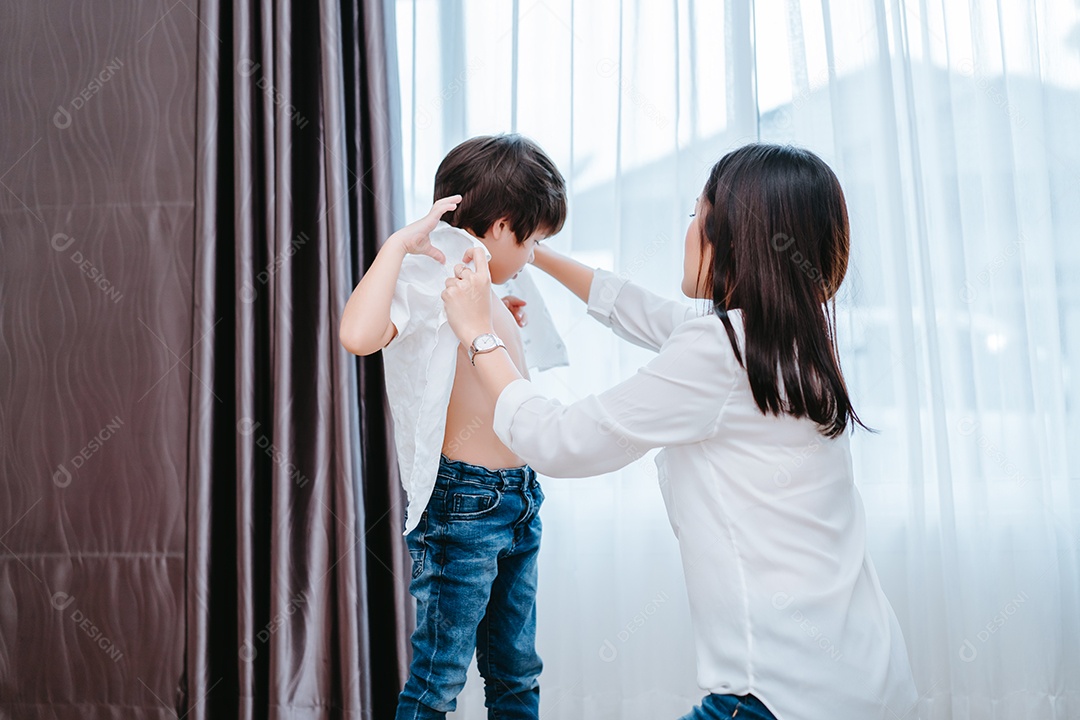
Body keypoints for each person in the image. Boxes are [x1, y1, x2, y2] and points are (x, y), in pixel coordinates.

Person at [439, 143, 920, 720]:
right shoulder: (789, 335)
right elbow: (641, 311)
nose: (688, 229)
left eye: (697, 213)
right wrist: (529, 251)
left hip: (778, 694)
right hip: (867, 676)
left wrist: (479, 334)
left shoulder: (720, 350)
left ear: (732, 239)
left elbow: (560, 441)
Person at [339, 134, 567, 720]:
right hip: (464, 504)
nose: (533, 256)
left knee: (516, 671)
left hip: (518, 497)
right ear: (503, 225)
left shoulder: (482, 285)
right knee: (438, 677)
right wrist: (397, 246)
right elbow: (358, 336)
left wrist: (502, 319)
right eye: (532, 241)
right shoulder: (432, 270)